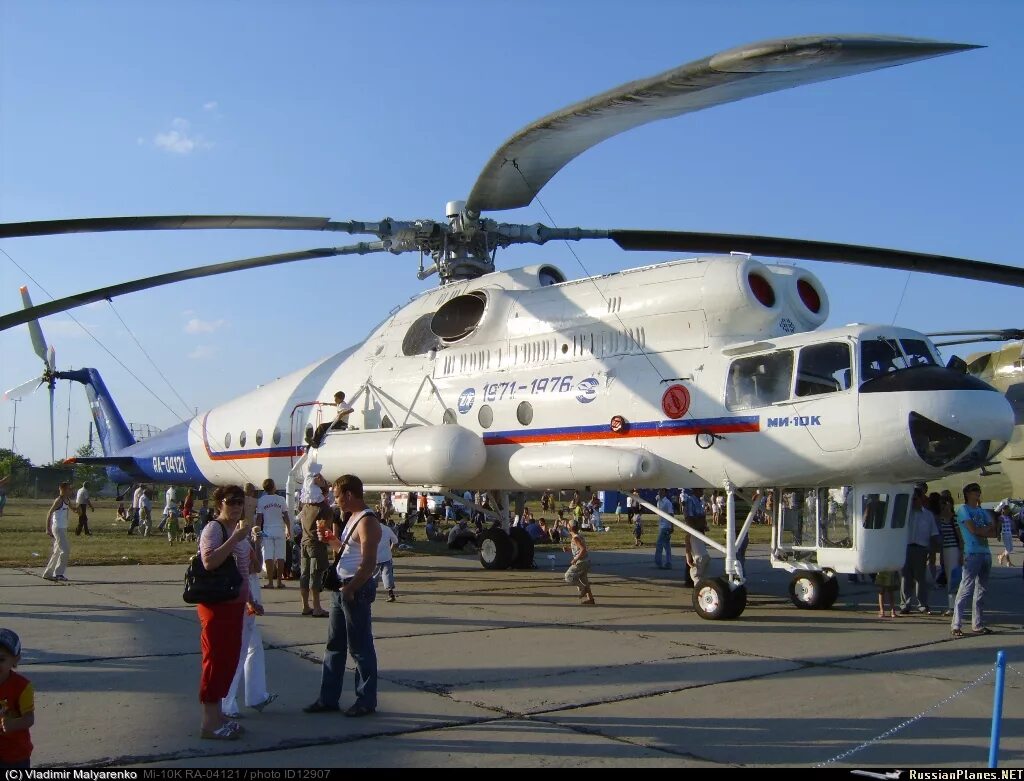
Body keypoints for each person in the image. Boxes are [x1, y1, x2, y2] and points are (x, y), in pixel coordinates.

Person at [304, 474, 382, 717]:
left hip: (353, 588)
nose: (335, 501)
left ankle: (366, 700)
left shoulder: (367, 521)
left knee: (360, 647)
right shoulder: (352, 518)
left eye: (337, 496)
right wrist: (331, 541)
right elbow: (348, 552)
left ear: (349, 495)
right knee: (334, 645)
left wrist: (351, 588)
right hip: (341, 586)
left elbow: (368, 562)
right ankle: (328, 698)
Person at [196, 484, 255, 740]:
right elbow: (209, 562)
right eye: (230, 501)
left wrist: (251, 598)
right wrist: (235, 540)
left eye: (240, 502)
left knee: (229, 661)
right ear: (219, 503)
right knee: (215, 660)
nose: (236, 506)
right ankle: (208, 723)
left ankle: (219, 715)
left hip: (236, 602)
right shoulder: (214, 528)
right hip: (216, 604)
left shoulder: (238, 530)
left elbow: (247, 570)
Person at [221, 525, 277, 719]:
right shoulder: (227, 537)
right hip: (240, 598)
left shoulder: (244, 540)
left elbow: (255, 568)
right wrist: (248, 600)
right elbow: (237, 574)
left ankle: (256, 696)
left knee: (253, 646)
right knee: (239, 650)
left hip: (249, 596)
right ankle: (227, 701)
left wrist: (257, 541)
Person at [950, 483, 999, 638]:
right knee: (966, 588)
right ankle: (956, 624)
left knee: (981, 590)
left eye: (978, 491)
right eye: (974, 491)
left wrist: (984, 531)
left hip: (985, 552)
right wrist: (984, 531)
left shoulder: (980, 511)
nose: (977, 493)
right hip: (972, 552)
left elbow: (994, 530)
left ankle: (977, 624)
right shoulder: (963, 510)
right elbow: (973, 530)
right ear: (967, 494)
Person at [900, 487, 940, 614]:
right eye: (911, 499)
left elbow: (933, 533)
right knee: (905, 578)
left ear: (921, 499)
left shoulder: (928, 515)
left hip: (921, 549)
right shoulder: (905, 514)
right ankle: (905, 604)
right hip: (906, 548)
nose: (913, 501)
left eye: (915, 499)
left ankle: (922, 604)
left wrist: (932, 552)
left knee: (920, 578)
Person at [299, 465, 331, 618]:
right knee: (316, 575)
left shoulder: (305, 505)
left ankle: (306, 605)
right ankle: (317, 607)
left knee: (304, 575)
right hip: (316, 544)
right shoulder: (323, 508)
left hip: (304, 542)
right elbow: (326, 529)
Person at [0, 628, 34, 769]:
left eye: (1, 659)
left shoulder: (22, 686)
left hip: (15, 754)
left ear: (15, 660)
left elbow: (29, 718)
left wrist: (12, 725)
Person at [256, 478, 291, 589]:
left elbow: (259, 518)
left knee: (268, 556)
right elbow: (286, 516)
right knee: (281, 556)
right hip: (279, 530)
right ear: (274, 486)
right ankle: (279, 581)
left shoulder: (262, 500)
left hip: (267, 531)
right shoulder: (281, 499)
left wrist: (257, 530)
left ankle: (270, 582)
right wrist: (289, 529)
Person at [43, 482, 76, 582]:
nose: (70, 491)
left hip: (63, 528)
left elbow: (73, 509)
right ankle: (59, 574)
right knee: (65, 550)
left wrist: (78, 509)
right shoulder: (59, 500)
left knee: (57, 551)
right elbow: (49, 513)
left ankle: (48, 573)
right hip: (58, 528)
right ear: (63, 489)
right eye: (69, 489)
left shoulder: (67, 500)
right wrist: (47, 528)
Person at [935, 494, 962, 616]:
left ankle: (954, 606)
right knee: (949, 578)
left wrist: (962, 553)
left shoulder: (954, 518)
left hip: (954, 549)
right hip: (945, 550)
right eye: (942, 503)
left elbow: (960, 537)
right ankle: (951, 606)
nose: (944, 506)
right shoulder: (940, 519)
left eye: (946, 503)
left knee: (954, 578)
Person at [563, 519, 595, 605]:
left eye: (568, 525)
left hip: (581, 562)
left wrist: (575, 559)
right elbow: (578, 548)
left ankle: (583, 588)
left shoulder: (575, 538)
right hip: (586, 561)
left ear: (570, 527)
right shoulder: (578, 536)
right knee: (584, 579)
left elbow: (583, 549)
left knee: (568, 576)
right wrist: (569, 549)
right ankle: (590, 599)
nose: (567, 526)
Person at [375, 521, 399, 602]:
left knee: (373, 576)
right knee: (387, 575)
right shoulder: (387, 529)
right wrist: (390, 549)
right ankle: (390, 593)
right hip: (386, 556)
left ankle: (371, 593)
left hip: (374, 556)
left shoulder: (370, 529)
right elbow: (395, 541)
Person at [654, 489, 674, 569]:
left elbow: (671, 514)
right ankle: (668, 563)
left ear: (665, 492)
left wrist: (672, 526)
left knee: (659, 544)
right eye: (659, 490)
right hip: (661, 525)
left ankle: (658, 562)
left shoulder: (667, 502)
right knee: (666, 545)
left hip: (665, 526)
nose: (659, 492)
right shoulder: (659, 501)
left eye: (662, 490)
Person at [996, 501, 1015, 567]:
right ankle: (1008, 562)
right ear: (1003, 510)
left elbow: (1012, 525)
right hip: (1004, 534)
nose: (1007, 510)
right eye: (1005, 509)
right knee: (1008, 549)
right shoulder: (1001, 517)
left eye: (1007, 509)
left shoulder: (1009, 517)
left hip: (1009, 534)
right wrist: (998, 535)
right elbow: (998, 527)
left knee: (1010, 549)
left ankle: (1001, 556)